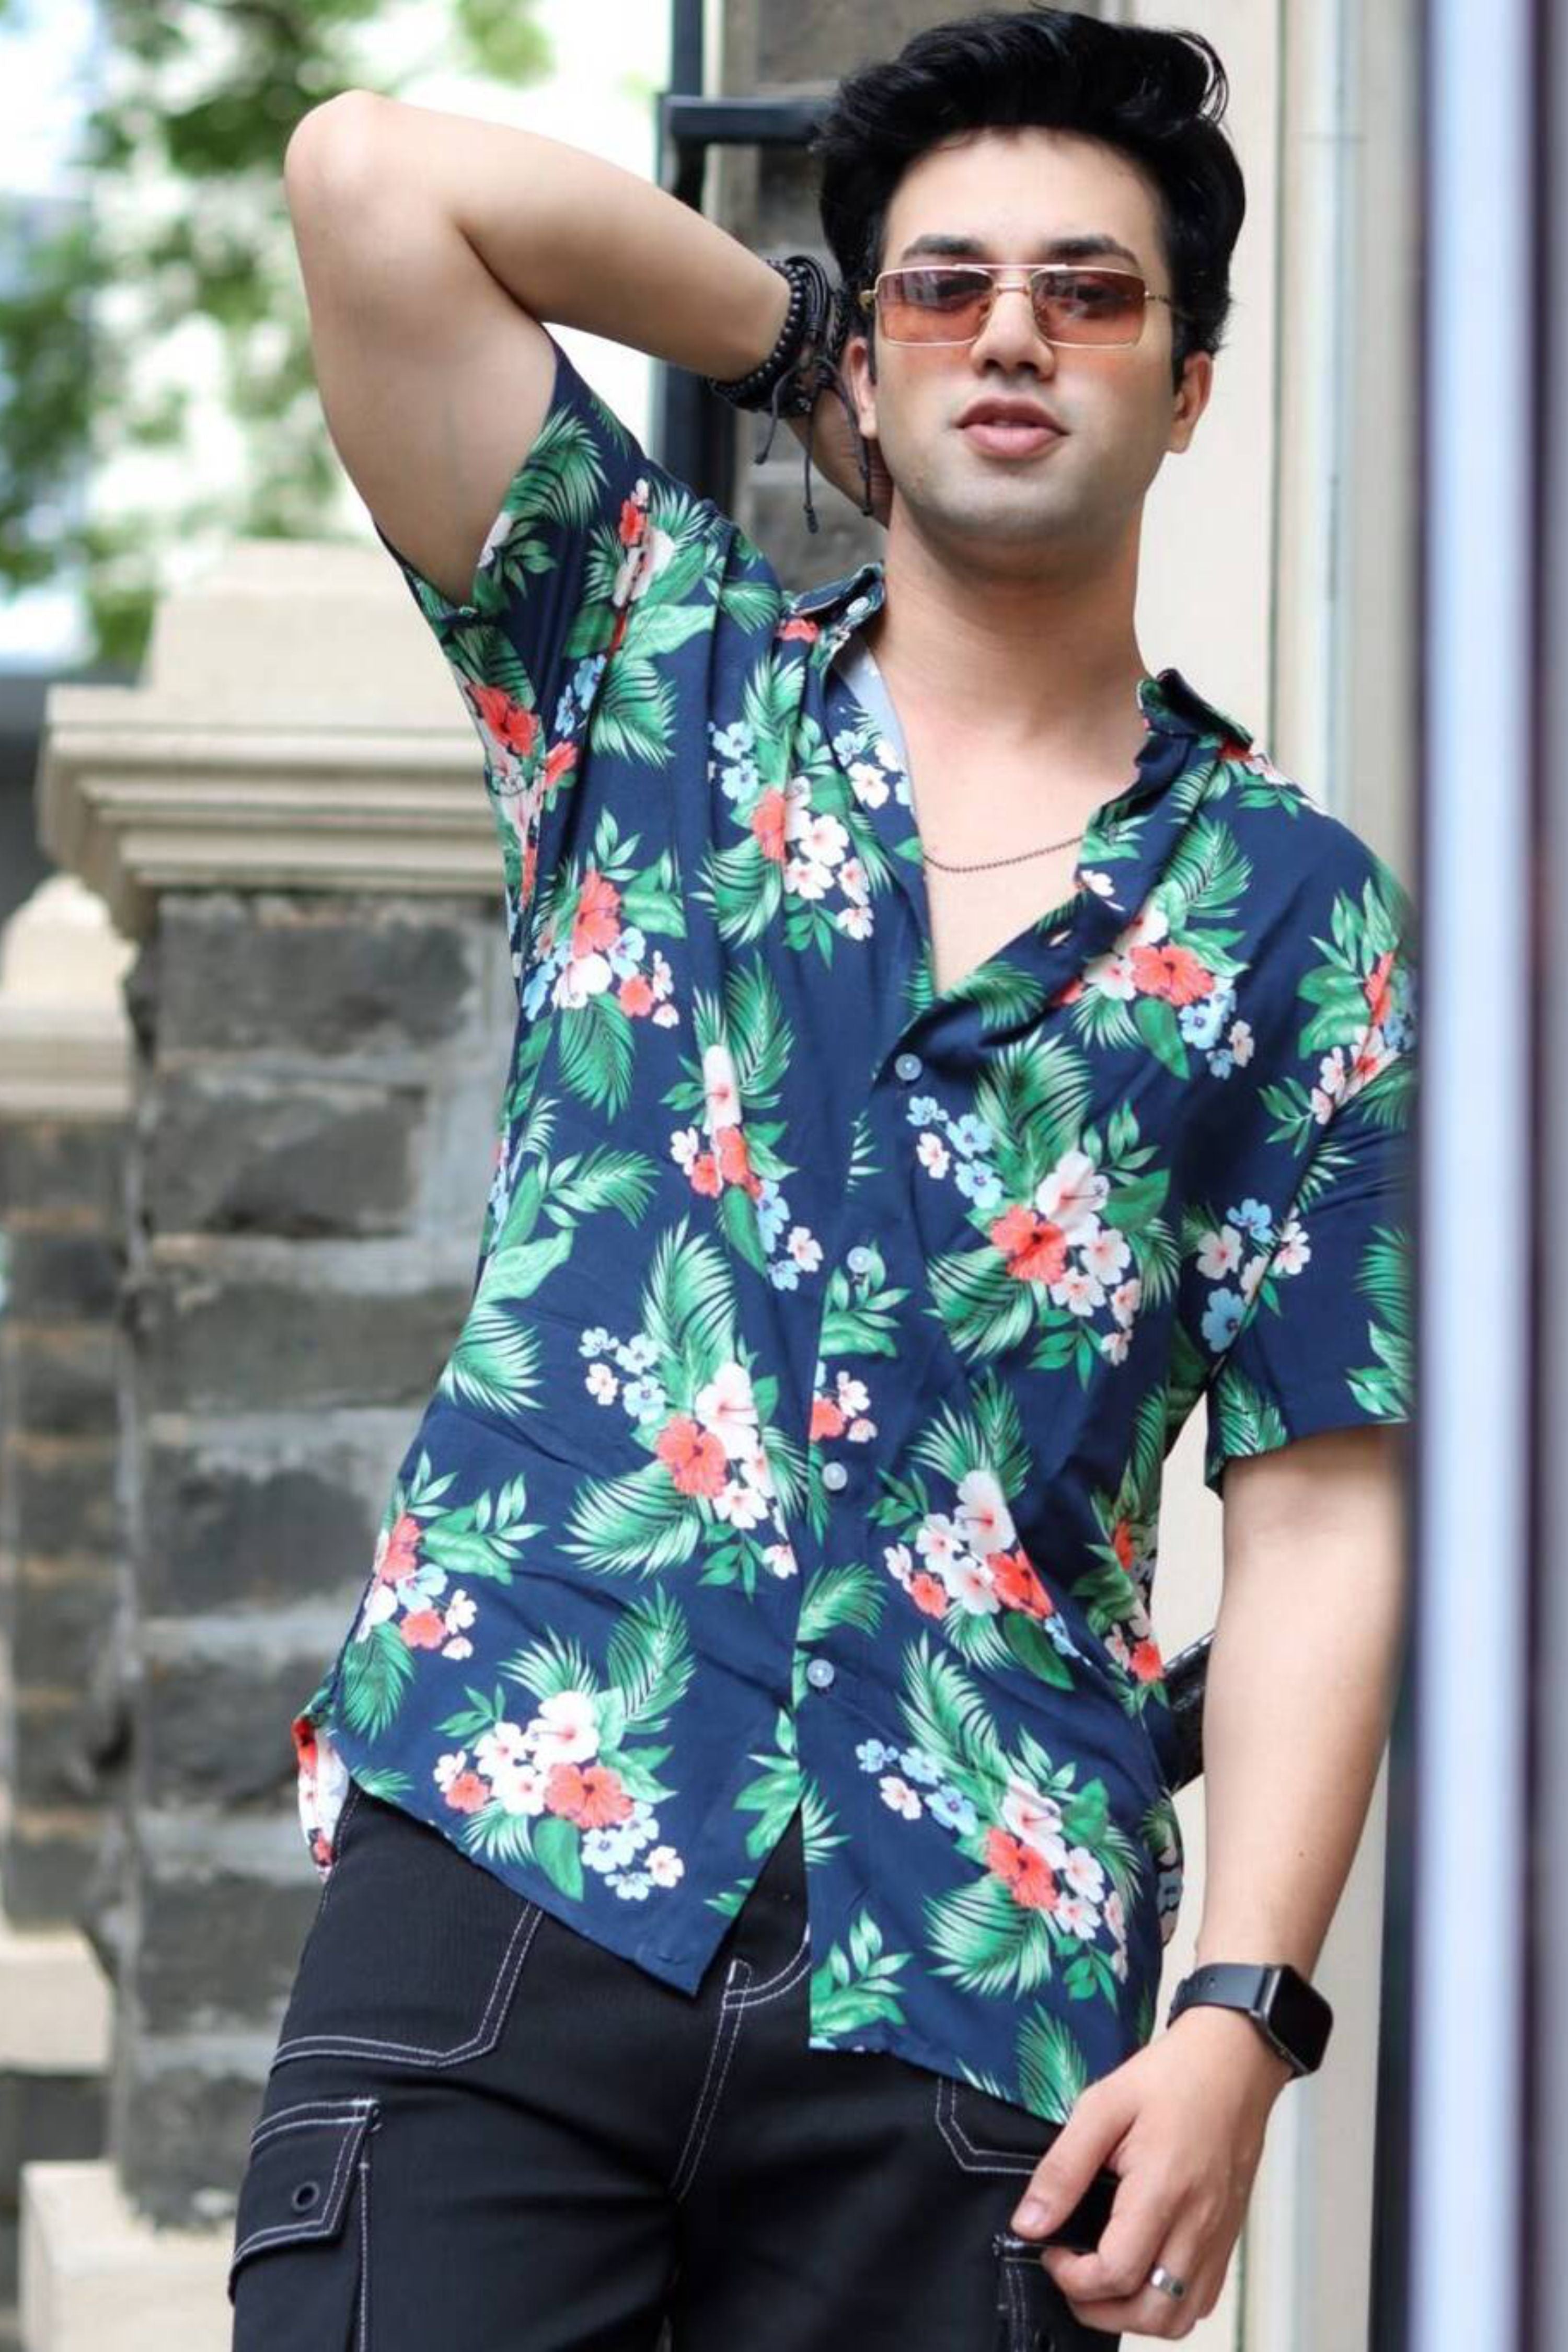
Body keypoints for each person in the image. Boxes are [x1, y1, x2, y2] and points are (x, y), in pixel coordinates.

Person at [228, 8, 1417, 2346]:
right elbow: (371, 182)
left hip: (975, 1987)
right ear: (866, 363)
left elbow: (1322, 1509)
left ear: (1188, 392)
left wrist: (1241, 2020)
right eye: (944, 288)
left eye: (1092, 294)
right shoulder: (647, 668)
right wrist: (794, 341)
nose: (1013, 334)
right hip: (516, 1861)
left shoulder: (1295, 907)